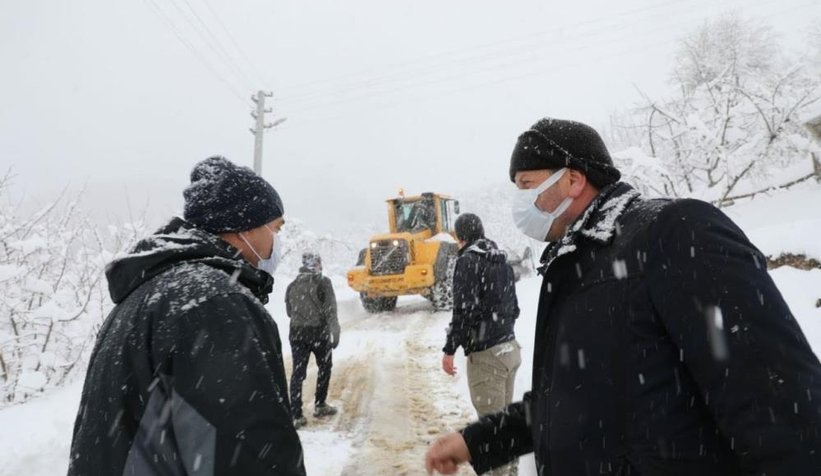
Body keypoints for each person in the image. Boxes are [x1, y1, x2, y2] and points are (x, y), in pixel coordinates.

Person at [426, 118, 821, 475]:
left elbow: (777, 404)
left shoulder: (674, 233)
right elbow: (572, 402)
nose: (520, 203)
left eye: (527, 186)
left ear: (573, 181)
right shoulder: (578, 265)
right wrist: (478, 442)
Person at [68, 156, 305, 476]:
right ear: (244, 226)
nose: (277, 242)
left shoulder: (146, 291)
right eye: (275, 229)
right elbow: (248, 451)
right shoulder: (215, 304)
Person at [441, 212, 521, 476]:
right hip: (510, 349)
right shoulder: (501, 259)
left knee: (491, 431)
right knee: (505, 426)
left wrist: (450, 348)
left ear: (460, 236)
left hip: (487, 355)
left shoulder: (468, 262)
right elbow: (515, 308)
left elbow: (463, 311)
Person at [285, 251, 340, 429]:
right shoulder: (323, 282)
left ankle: (296, 414)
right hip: (318, 334)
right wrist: (335, 331)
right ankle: (320, 405)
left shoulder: (292, 285)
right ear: (317, 264)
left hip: (296, 334)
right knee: (324, 367)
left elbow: (289, 312)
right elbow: (331, 309)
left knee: (298, 374)